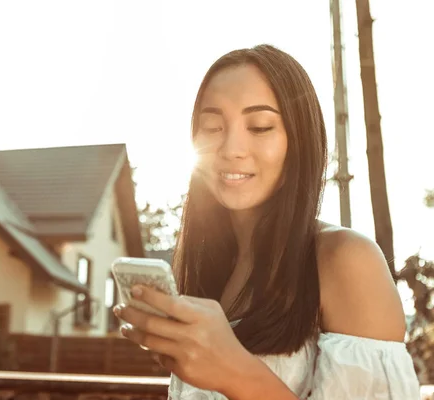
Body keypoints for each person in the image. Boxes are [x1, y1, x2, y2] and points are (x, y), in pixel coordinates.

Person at [112, 44, 421, 399]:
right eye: (212, 127)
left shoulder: (346, 259)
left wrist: (236, 373)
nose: (231, 148)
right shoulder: (212, 268)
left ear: (299, 141)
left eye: (259, 127)